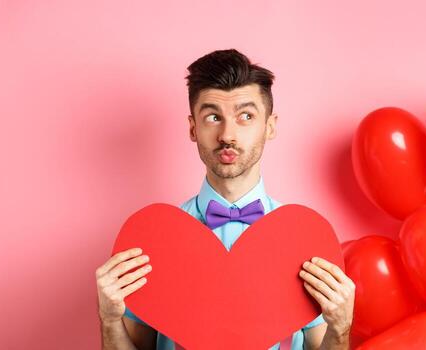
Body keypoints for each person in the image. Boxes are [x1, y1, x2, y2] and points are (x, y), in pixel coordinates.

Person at [95, 49, 355, 350]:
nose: (227, 134)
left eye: (246, 116)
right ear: (193, 127)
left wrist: (341, 328)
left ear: (269, 126)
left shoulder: (304, 237)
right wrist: (109, 319)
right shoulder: (154, 239)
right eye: (213, 117)